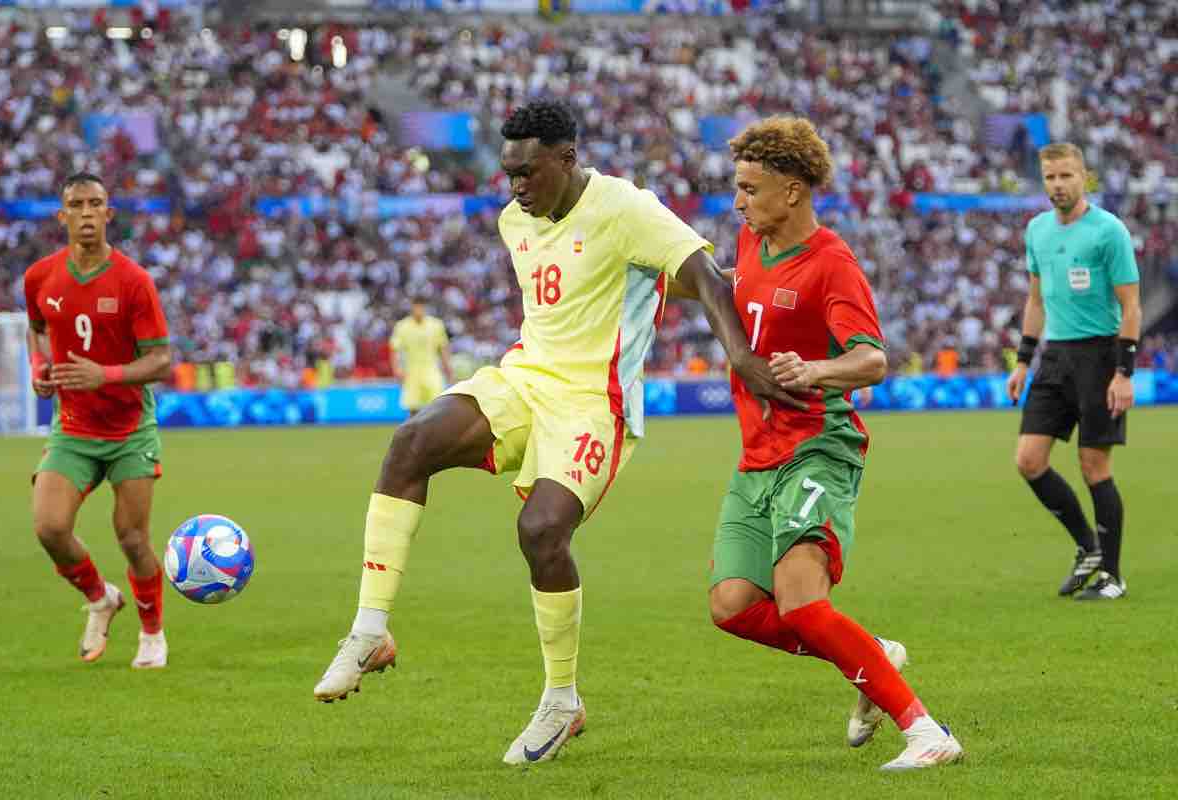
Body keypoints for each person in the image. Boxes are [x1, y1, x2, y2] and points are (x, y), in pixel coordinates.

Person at [312, 100, 794, 764]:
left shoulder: (626, 207)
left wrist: (741, 353)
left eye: (527, 172)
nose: (516, 187)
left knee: (540, 531)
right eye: (509, 173)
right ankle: (370, 629)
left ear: (567, 159)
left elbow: (701, 275)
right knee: (410, 442)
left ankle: (562, 700)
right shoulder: (516, 219)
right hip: (525, 378)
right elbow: (605, 277)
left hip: (595, 404)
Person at [689, 117, 963, 770]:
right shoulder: (752, 242)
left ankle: (927, 733)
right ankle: (870, 652)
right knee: (732, 606)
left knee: (802, 601)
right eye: (737, 187)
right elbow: (730, 286)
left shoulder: (832, 264)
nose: (738, 201)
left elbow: (873, 360)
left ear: (792, 191)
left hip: (817, 444)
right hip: (757, 456)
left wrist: (814, 370)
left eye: (750, 189)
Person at [23, 173, 173, 668]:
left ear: (108, 214)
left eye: (95, 204)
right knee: (49, 528)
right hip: (73, 427)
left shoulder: (133, 281)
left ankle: (152, 632)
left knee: (132, 539)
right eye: (77, 205)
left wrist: (103, 375)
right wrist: (39, 367)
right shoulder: (40, 277)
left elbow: (161, 361)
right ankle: (100, 598)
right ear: (62, 215)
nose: (86, 213)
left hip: (130, 430)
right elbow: (35, 328)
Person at [1007, 142, 1141, 601]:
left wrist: (1124, 372)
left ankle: (1112, 576)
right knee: (1028, 460)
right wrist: (1023, 361)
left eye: (1066, 176)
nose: (1058, 185)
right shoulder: (1037, 230)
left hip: (1101, 356)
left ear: (1085, 177)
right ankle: (1088, 546)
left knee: (1093, 465)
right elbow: (1035, 299)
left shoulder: (1108, 231)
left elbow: (1131, 305)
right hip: (1055, 356)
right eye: (1050, 177)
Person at [389, 298, 452, 415]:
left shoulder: (436, 325)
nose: (418, 310)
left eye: (421, 307)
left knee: (436, 405)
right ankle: (415, 426)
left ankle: (433, 426)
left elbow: (443, 348)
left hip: (431, 370)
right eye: (416, 307)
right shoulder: (402, 326)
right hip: (411, 371)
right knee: (413, 408)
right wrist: (397, 369)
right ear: (412, 308)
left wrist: (448, 368)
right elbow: (394, 350)